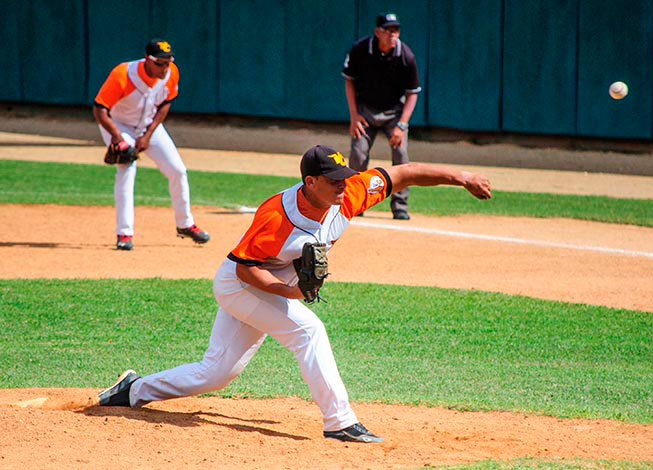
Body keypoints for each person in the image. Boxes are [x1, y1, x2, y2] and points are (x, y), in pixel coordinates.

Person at [97, 145, 492, 443]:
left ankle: (134, 390)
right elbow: (244, 268)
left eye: (344, 176)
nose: (344, 183)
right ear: (310, 183)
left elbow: (404, 172)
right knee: (309, 331)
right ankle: (340, 422)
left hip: (267, 284)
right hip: (241, 285)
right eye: (334, 178)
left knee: (216, 373)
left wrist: (462, 177)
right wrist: (290, 291)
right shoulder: (278, 216)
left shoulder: (348, 194)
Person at [93, 38, 210, 251]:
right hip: (119, 126)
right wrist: (118, 139)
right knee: (127, 169)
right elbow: (100, 109)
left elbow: (165, 104)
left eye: (168, 62)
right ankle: (124, 233)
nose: (165, 67)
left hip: (149, 125)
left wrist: (147, 135)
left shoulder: (171, 72)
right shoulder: (123, 74)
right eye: (160, 63)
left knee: (178, 171)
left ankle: (185, 224)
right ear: (147, 59)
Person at [342, 12, 421, 220]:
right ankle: (355, 203)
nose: (393, 34)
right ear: (378, 32)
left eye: (396, 30)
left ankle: (400, 206)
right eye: (389, 30)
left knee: (401, 154)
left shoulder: (406, 56)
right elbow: (349, 80)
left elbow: (412, 93)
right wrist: (354, 116)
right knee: (358, 154)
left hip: (394, 112)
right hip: (365, 111)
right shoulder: (360, 49)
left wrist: (402, 125)